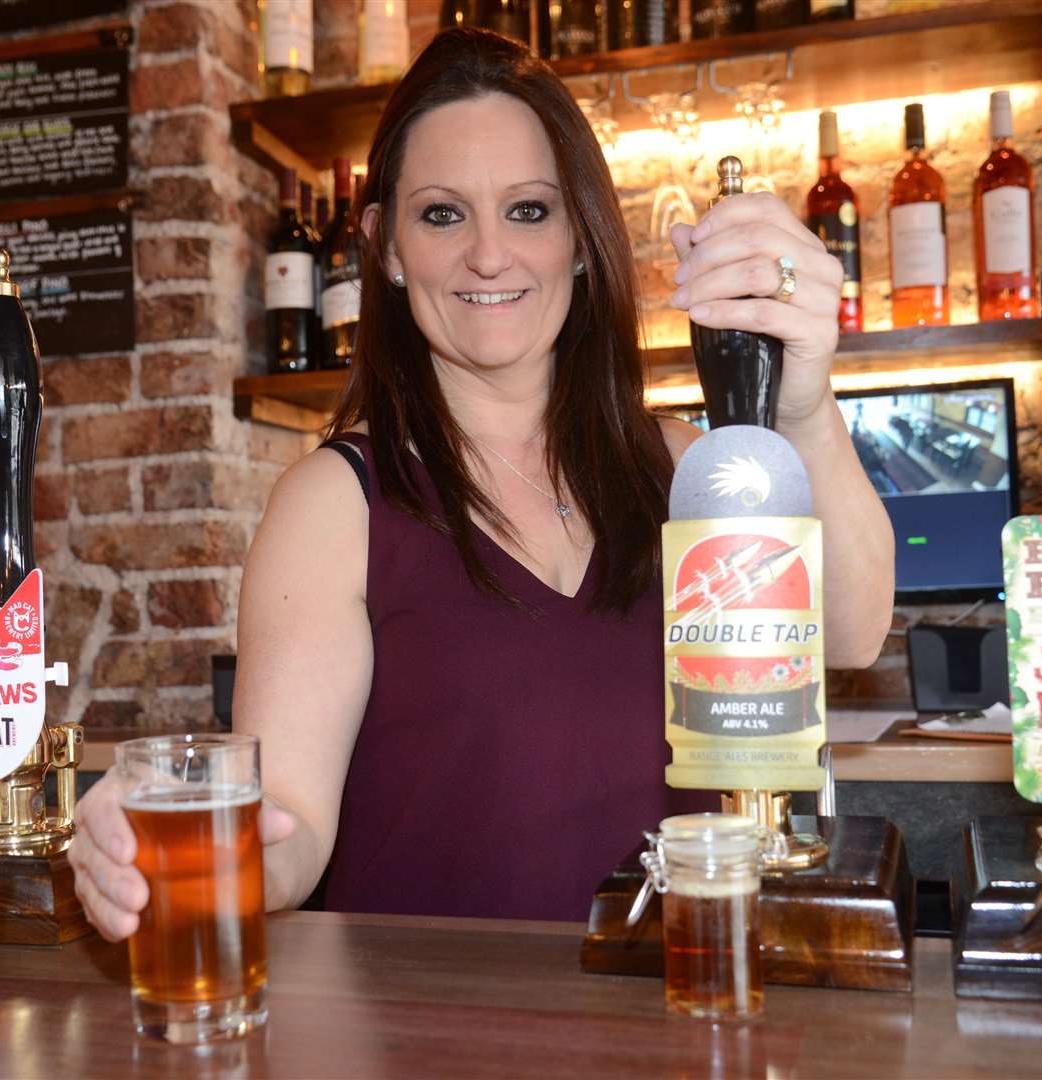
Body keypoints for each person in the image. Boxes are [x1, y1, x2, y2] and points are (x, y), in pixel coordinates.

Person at [69, 28, 894, 935]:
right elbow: (291, 830)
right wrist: (168, 855)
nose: (490, 255)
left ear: (581, 237)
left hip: (676, 1016)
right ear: (385, 248)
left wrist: (806, 402)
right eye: (443, 214)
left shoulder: (682, 467)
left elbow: (850, 632)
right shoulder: (336, 503)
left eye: (530, 211)